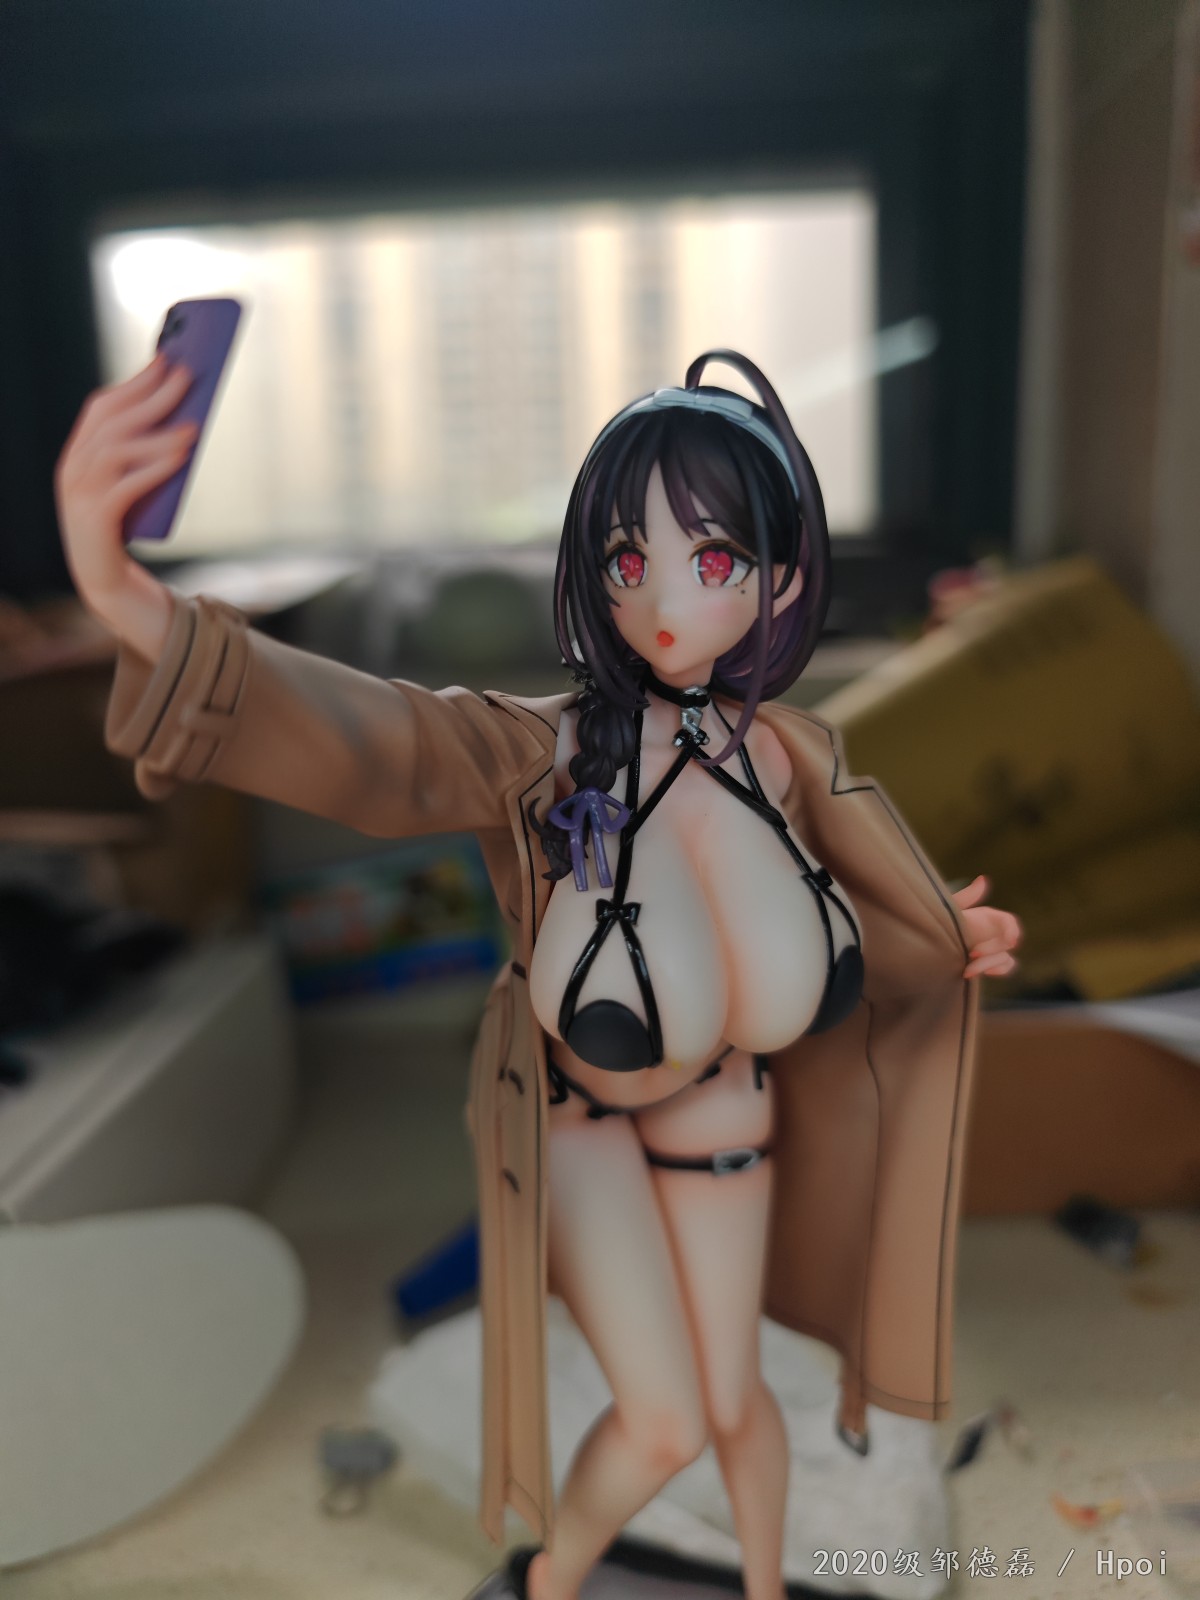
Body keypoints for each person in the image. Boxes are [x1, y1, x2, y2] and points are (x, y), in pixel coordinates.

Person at [55, 346, 1020, 1600]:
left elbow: (851, 934)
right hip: (585, 1135)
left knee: (738, 1405)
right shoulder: (548, 754)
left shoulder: (790, 761)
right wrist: (127, 598)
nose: (660, 597)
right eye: (627, 558)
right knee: (665, 1422)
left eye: (711, 559)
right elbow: (377, 741)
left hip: (734, 1128)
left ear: (780, 579)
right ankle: (555, 1583)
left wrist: (939, 936)